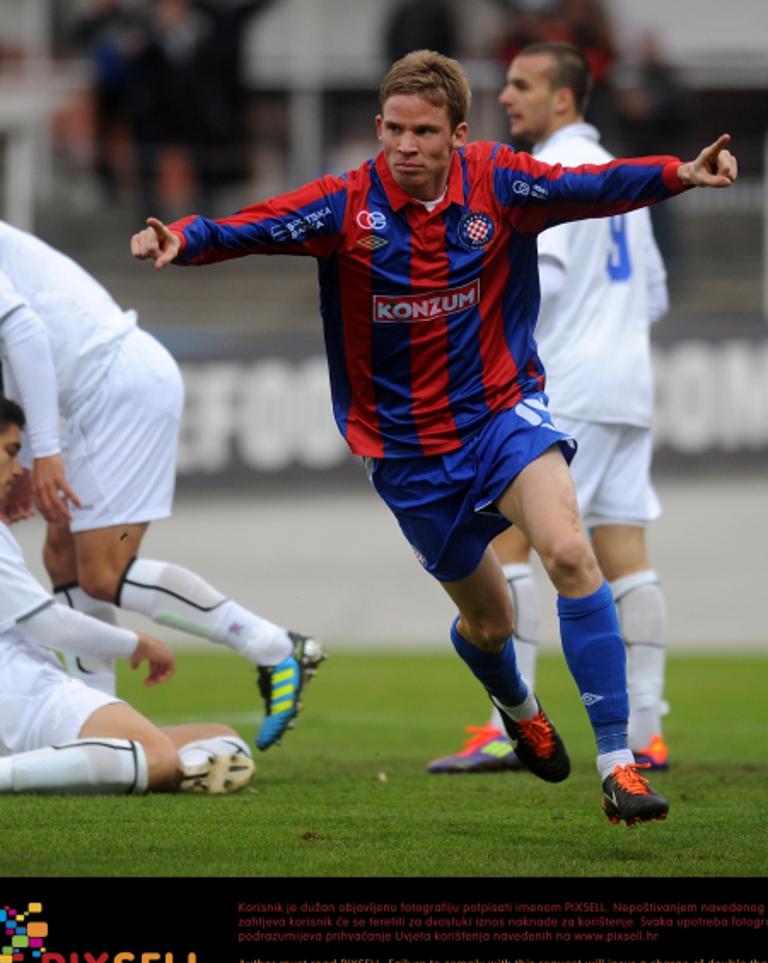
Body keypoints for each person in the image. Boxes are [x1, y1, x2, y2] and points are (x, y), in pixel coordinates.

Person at [130, 49, 736, 825]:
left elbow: (593, 188)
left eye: (424, 132)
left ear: (457, 132)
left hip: (502, 412)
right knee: (491, 624)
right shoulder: (347, 205)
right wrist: (185, 238)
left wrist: (680, 174)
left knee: (570, 550)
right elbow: (257, 223)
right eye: (394, 130)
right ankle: (518, 706)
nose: (405, 147)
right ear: (378, 127)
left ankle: (620, 764)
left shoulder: (501, 181)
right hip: (408, 452)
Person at [428, 42, 672, 776]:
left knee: (509, 545)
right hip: (629, 383)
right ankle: (651, 727)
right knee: (624, 553)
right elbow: (654, 292)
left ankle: (512, 726)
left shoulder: (552, 174)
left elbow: (549, 281)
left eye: (522, 85)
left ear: (563, 99)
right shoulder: (610, 166)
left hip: (568, 386)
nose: (506, 97)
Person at [0, 219, 323, 753]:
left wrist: (44, 450)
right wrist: (25, 451)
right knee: (62, 559)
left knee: (104, 571)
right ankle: (94, 714)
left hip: (114, 386)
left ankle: (272, 646)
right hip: (80, 398)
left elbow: (25, 333)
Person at [0, 395, 254, 796]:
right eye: (11, 453)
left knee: (223, 738)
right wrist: (138, 644)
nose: (19, 470)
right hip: (23, 694)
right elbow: (51, 624)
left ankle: (104, 765)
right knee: (158, 755)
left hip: (27, 692)